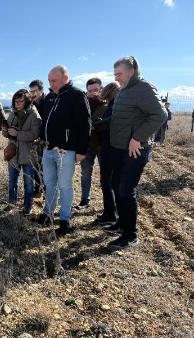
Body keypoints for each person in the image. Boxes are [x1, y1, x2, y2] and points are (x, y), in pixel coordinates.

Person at [106, 56, 167, 249]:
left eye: (120, 74)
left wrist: (138, 138)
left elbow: (160, 114)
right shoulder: (124, 90)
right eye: (115, 74)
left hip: (135, 150)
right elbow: (121, 118)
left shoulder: (143, 88)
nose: (117, 78)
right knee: (116, 185)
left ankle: (130, 235)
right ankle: (122, 223)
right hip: (120, 148)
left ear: (131, 71)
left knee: (125, 189)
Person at [36, 65, 90, 235]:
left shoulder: (76, 95)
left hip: (66, 150)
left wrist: (81, 151)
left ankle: (65, 219)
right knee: (49, 183)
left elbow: (85, 125)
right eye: (49, 81)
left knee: (64, 185)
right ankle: (48, 213)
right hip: (48, 149)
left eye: (54, 81)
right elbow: (46, 120)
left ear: (65, 78)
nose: (51, 84)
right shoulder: (50, 97)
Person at [2, 89, 41, 215]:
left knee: (28, 184)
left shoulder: (34, 115)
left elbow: (35, 134)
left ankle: (27, 207)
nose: (17, 103)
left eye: (20, 101)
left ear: (27, 101)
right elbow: (8, 134)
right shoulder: (13, 114)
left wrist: (17, 134)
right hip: (13, 153)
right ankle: (11, 204)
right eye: (15, 101)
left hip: (28, 154)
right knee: (12, 181)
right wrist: (5, 131)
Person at [93, 81, 121, 225]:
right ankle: (111, 213)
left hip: (109, 149)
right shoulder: (115, 105)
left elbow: (109, 124)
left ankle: (110, 214)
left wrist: (97, 123)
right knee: (111, 183)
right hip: (111, 148)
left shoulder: (114, 106)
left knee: (107, 182)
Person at [76, 78, 106, 209]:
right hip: (87, 145)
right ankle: (84, 200)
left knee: (106, 177)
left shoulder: (108, 105)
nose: (93, 93)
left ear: (102, 89)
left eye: (96, 90)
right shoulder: (82, 105)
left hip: (103, 146)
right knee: (85, 174)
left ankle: (108, 205)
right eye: (90, 90)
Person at [28, 79, 46, 197]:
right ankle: (37, 189)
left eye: (34, 91)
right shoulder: (31, 104)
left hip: (47, 140)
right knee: (36, 165)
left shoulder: (49, 101)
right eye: (31, 91)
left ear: (41, 91)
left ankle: (47, 190)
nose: (32, 94)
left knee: (46, 167)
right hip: (35, 141)